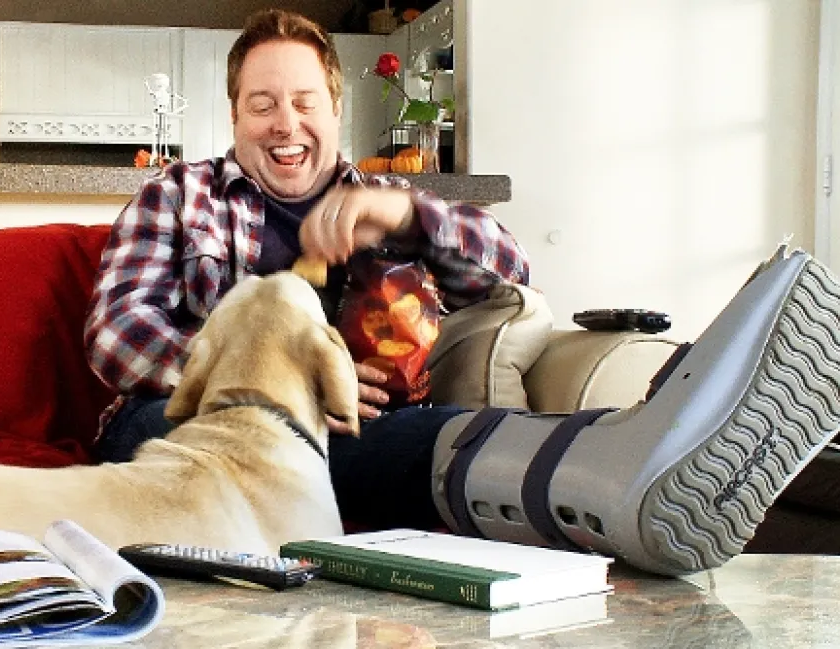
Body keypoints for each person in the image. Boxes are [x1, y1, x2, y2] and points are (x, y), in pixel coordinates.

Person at [85, 9, 840, 577]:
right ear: (234, 114)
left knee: (434, 434)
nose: (287, 124)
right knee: (187, 435)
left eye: (305, 101)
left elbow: (509, 275)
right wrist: (277, 380)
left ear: (335, 108)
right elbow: (115, 333)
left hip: (365, 438)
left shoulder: (381, 202)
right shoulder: (180, 196)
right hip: (189, 427)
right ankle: (615, 473)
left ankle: (653, 457)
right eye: (263, 104)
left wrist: (410, 216)